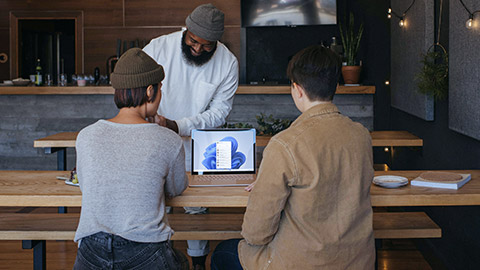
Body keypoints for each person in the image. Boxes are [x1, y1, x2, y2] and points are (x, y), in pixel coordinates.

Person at [211, 45, 376, 269]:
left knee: (223, 253)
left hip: (302, 263)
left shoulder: (285, 144)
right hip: (357, 261)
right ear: (335, 86)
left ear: (297, 89)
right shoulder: (361, 135)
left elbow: (256, 232)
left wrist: (265, 185)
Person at [73, 48, 189, 270]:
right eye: (160, 89)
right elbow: (176, 188)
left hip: (90, 253)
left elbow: (88, 186)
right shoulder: (167, 139)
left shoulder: (86, 135)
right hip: (144, 251)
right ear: (149, 91)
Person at [143, 4, 239, 269]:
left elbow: (219, 113)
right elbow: (136, 89)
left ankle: (198, 264)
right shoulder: (157, 48)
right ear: (185, 30)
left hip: (197, 149)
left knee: (197, 212)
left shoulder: (228, 62)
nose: (198, 49)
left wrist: (177, 125)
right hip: (154, 142)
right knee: (158, 208)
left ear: (217, 42)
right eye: (193, 41)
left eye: (207, 46)